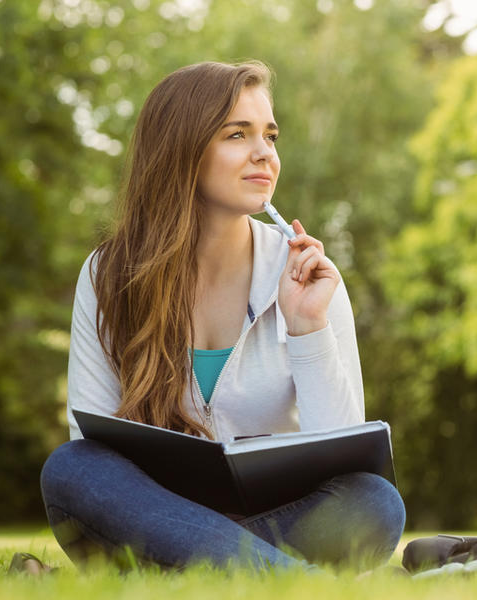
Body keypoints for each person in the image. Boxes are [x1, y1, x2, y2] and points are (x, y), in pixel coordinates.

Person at [39, 61, 405, 573]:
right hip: (154, 512)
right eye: (238, 134)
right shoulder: (108, 274)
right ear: (180, 150)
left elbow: (344, 459)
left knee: (374, 503)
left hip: (276, 515)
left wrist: (307, 327)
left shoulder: (308, 277)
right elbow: (95, 449)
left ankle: (164, 572)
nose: (264, 154)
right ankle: (296, 583)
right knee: (73, 470)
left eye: (270, 137)